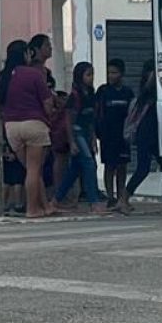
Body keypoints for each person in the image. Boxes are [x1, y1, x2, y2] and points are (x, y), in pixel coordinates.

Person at [2, 42, 56, 219]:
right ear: (26, 54)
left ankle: (45, 206)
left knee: (31, 169)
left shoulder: (2, 77)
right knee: (34, 169)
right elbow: (48, 103)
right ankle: (32, 209)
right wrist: (49, 117)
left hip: (11, 127)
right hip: (33, 123)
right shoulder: (33, 74)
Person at [53, 62, 104, 214]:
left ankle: (56, 199)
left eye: (92, 74)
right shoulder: (75, 96)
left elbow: (91, 119)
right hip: (77, 132)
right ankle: (94, 202)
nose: (91, 78)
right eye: (88, 75)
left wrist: (93, 138)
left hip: (87, 132)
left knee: (75, 169)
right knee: (89, 164)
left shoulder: (90, 93)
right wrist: (72, 141)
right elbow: (69, 119)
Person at [126, 62, 162, 213]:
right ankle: (124, 198)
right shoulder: (148, 91)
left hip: (158, 134)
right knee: (143, 169)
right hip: (146, 134)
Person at [0, 40, 29, 216]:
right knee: (20, 165)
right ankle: (18, 203)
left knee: (9, 164)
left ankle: (5, 204)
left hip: (6, 124)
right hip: (23, 123)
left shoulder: (2, 77)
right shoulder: (24, 76)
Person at [96, 58, 135, 210]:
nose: (111, 76)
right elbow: (97, 113)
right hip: (107, 135)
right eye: (109, 73)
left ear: (122, 74)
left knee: (122, 166)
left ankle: (121, 196)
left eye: (114, 73)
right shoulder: (103, 91)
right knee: (109, 166)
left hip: (123, 136)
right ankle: (110, 197)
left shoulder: (127, 92)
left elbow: (132, 114)